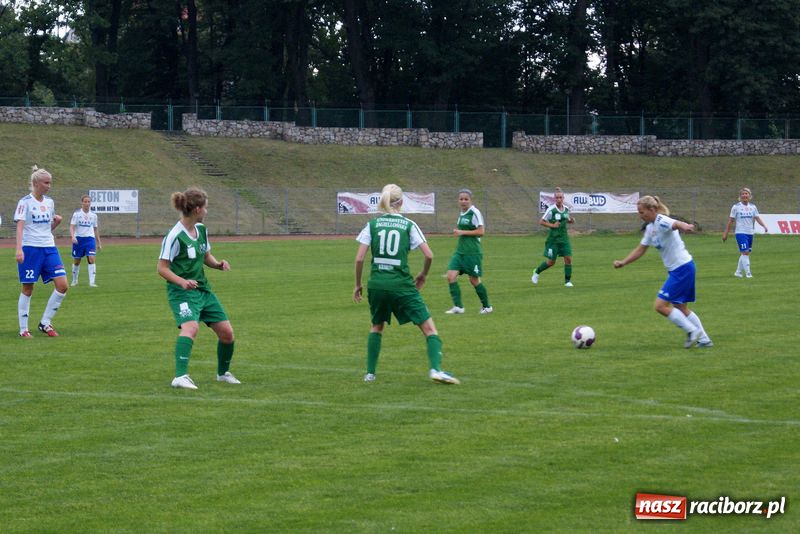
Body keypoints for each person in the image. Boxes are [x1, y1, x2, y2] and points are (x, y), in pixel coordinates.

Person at [353, 183, 460, 384]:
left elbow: (359, 259)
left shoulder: (372, 225)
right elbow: (429, 255)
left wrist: (358, 285)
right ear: (401, 202)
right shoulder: (408, 225)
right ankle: (436, 369)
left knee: (376, 326)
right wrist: (423, 275)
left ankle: (370, 373)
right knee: (429, 329)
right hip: (402, 284)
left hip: (377, 284)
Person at [157, 187, 240, 390]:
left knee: (227, 334)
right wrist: (182, 282)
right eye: (205, 207)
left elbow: (205, 257)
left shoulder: (201, 229)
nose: (207, 211)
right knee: (190, 327)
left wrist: (218, 264)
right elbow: (161, 268)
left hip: (203, 290)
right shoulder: (175, 236)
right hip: (182, 292)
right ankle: (180, 376)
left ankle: (223, 374)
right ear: (196, 209)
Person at [613, 195, 713, 348]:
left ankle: (691, 331)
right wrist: (623, 262)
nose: (640, 216)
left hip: (682, 268)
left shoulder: (661, 220)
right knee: (681, 307)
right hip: (681, 269)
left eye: (642, 212)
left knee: (660, 306)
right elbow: (641, 249)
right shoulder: (650, 228)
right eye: (639, 213)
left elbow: (675, 223)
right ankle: (704, 340)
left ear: (652, 209)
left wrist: (685, 226)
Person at [14, 166, 68, 337]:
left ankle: (45, 322)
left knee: (62, 285)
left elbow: (46, 228)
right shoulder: (25, 202)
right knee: (28, 288)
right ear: (36, 183)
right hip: (30, 249)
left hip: (49, 248)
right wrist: (19, 249)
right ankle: (23, 329)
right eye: (46, 183)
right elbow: (20, 227)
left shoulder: (49, 202)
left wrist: (56, 223)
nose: (49, 186)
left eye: (50, 183)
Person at [445, 188, 492, 314]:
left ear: (470, 200)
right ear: (458, 200)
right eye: (461, 199)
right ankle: (458, 307)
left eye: (466, 199)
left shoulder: (474, 212)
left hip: (472, 252)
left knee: (474, 280)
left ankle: (487, 307)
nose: (463, 201)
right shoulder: (461, 213)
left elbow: (481, 232)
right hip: (460, 252)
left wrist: (461, 232)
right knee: (451, 276)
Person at [532, 187, 575, 287]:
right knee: (551, 262)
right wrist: (552, 225)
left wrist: (571, 221)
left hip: (564, 239)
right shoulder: (551, 210)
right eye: (557, 198)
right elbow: (541, 221)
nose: (559, 199)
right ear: (554, 199)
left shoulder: (566, 209)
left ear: (563, 198)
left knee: (568, 259)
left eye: (560, 197)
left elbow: (566, 219)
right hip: (553, 240)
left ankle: (567, 281)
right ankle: (537, 272)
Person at [722, 187, 768, 278]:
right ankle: (748, 273)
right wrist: (725, 233)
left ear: (749, 195)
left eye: (746, 194)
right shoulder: (736, 207)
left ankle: (738, 272)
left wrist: (764, 226)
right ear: (740, 196)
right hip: (740, 232)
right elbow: (731, 221)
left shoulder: (753, 207)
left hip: (750, 232)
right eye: (743, 194)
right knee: (745, 252)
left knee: (745, 252)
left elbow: (757, 218)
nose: (744, 195)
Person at [70, 194, 102, 287]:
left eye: (88, 202)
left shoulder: (94, 216)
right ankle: (75, 280)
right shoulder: (77, 214)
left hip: (90, 239)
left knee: (91, 259)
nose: (87, 203)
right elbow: (72, 226)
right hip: (79, 239)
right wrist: (73, 236)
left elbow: (95, 229)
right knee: (77, 261)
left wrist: (99, 242)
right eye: (85, 201)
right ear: (82, 203)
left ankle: (92, 282)